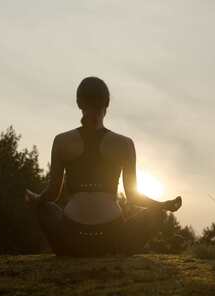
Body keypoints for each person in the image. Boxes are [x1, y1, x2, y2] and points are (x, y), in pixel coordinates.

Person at [24, 76, 182, 257]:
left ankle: (70, 252)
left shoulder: (61, 141)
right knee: (155, 212)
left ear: (78, 103)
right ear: (107, 104)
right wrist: (163, 205)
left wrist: (35, 200)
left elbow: (52, 194)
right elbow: (132, 196)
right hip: (112, 240)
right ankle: (117, 250)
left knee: (44, 208)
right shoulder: (124, 144)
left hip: (71, 240)